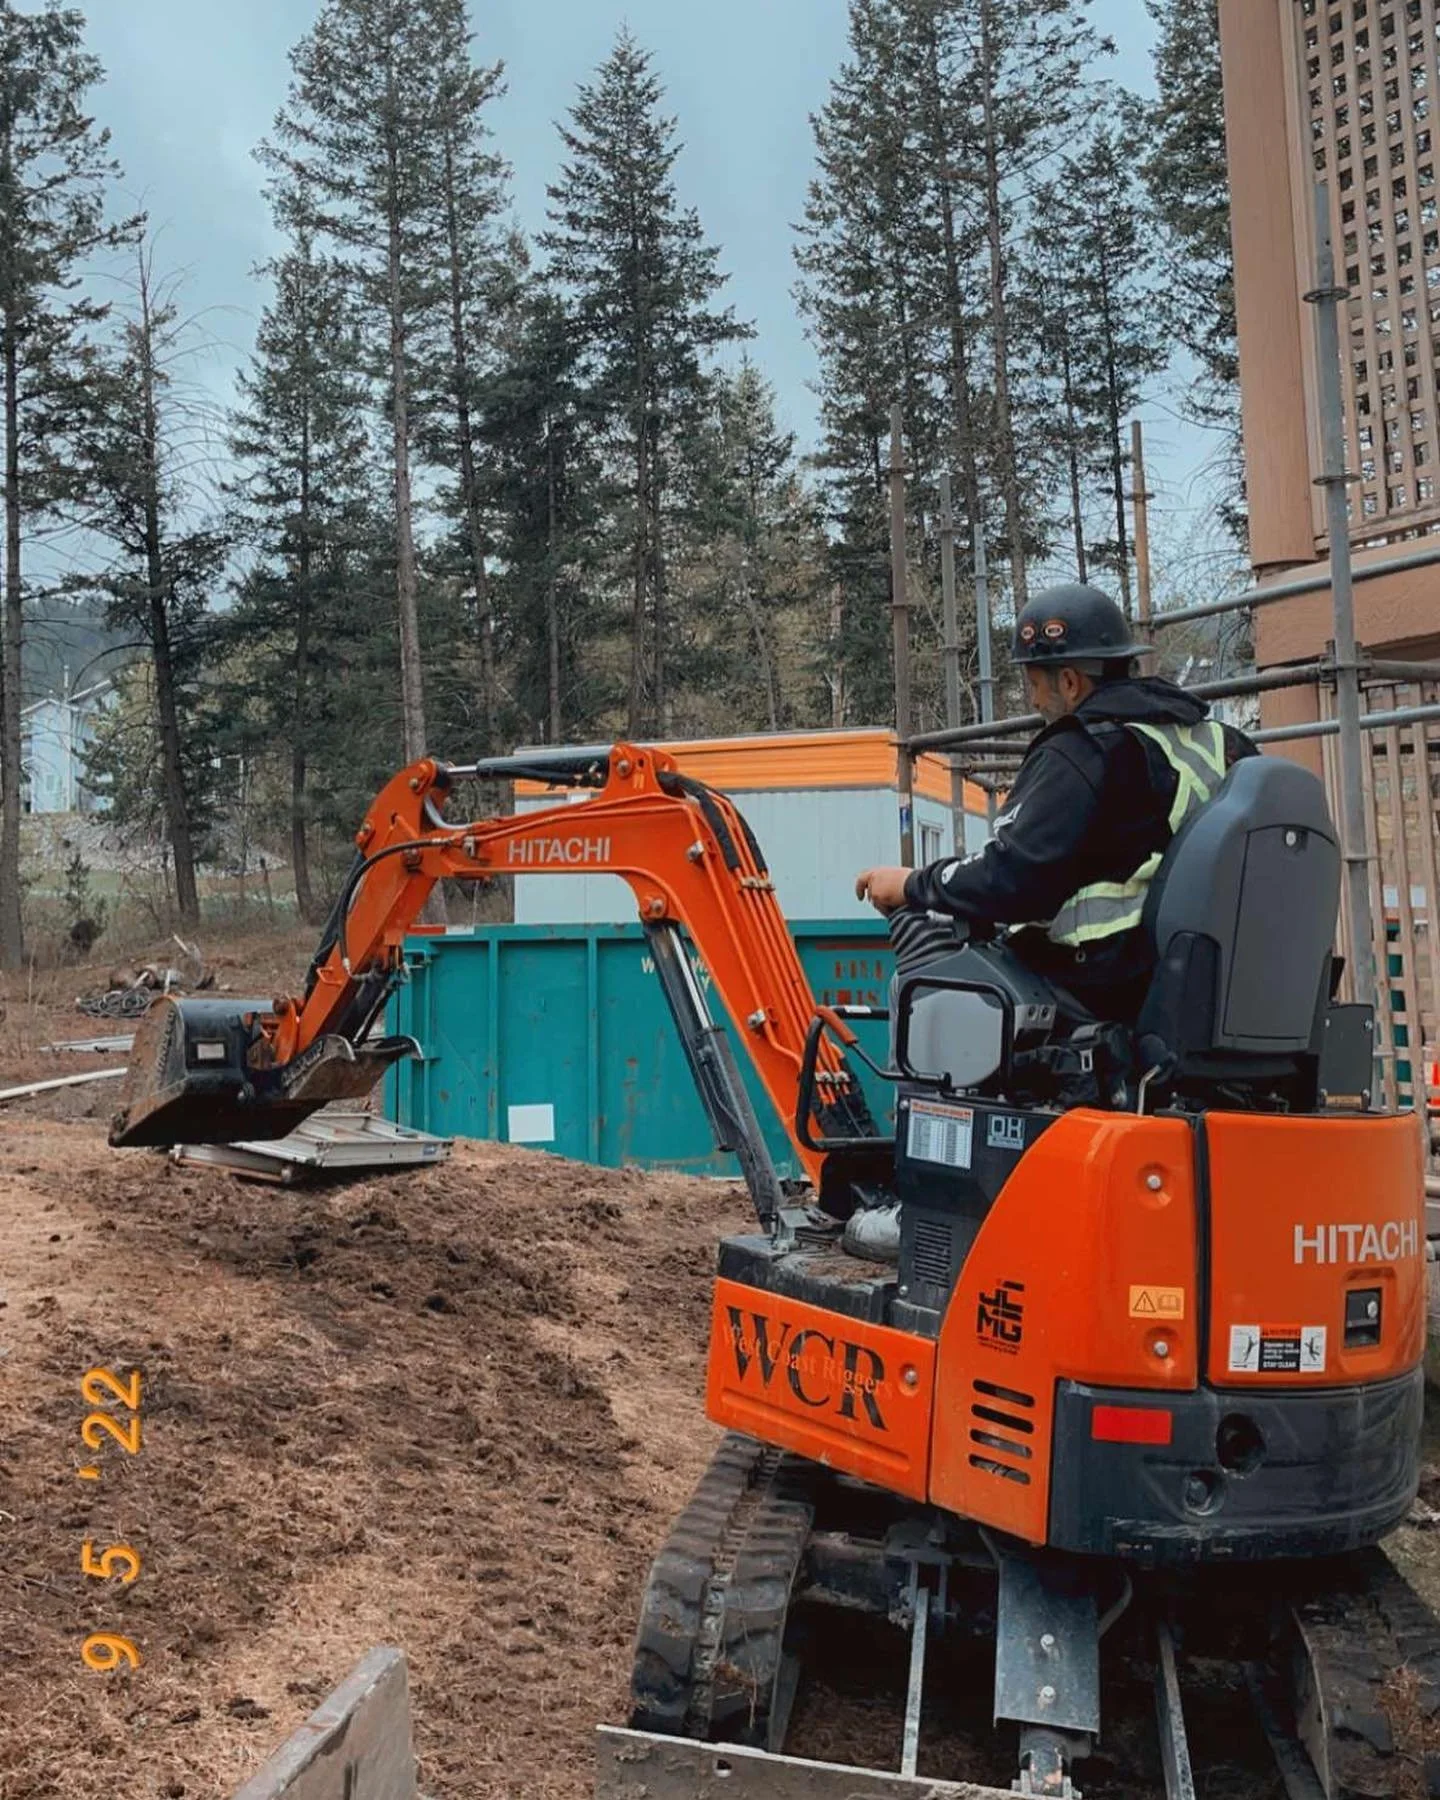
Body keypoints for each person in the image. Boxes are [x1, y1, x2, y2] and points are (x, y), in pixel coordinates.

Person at [855, 582, 1259, 1027]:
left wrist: (912, 883)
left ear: (1069, 682)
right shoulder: (1224, 745)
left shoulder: (1082, 751)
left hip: (1102, 988)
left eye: (1034, 685)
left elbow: (1008, 877)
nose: (1032, 701)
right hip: (1208, 988)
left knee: (928, 997)